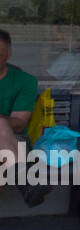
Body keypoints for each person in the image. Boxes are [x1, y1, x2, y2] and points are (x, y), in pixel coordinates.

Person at [0, 28, 39, 159]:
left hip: (12, 138)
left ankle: (14, 175)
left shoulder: (25, 81)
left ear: (8, 55)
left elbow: (18, 124)